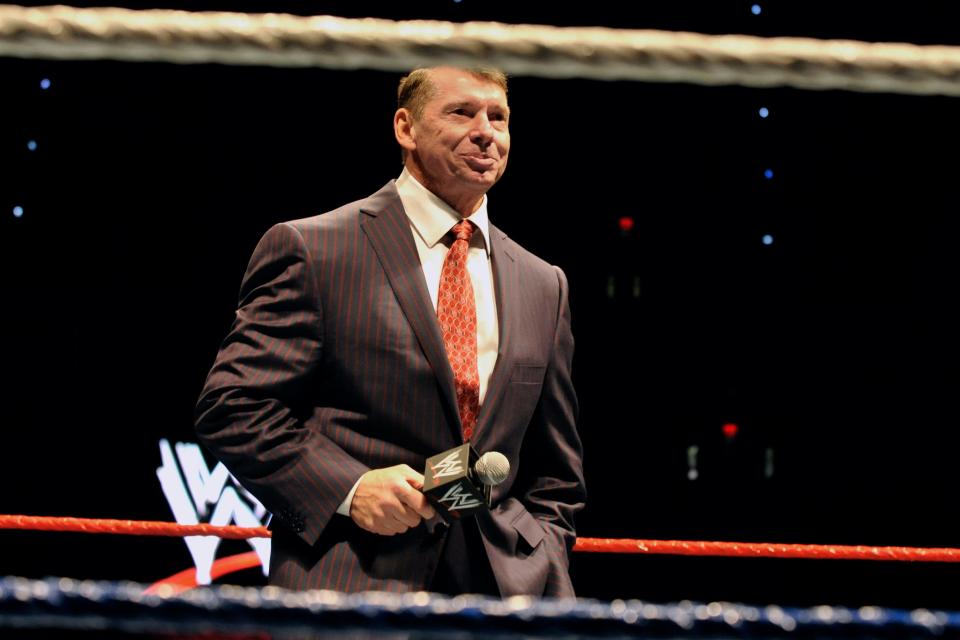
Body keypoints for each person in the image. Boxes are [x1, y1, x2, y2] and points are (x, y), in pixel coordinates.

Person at [195, 66, 585, 597]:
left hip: (505, 594)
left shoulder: (544, 284)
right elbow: (233, 407)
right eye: (461, 112)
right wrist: (350, 489)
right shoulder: (315, 249)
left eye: (498, 117)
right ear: (406, 128)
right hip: (353, 579)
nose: (485, 131)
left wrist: (544, 555)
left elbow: (555, 469)